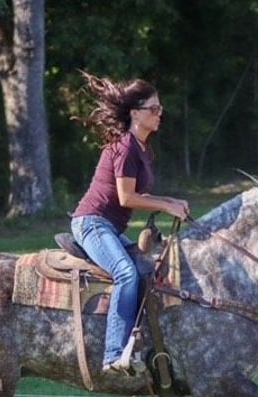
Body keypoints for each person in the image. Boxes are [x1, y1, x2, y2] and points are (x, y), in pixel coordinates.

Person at [70, 71, 190, 375]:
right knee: (125, 273)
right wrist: (166, 204)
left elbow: (139, 193)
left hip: (108, 227)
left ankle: (138, 345)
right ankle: (112, 355)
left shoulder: (141, 148)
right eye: (153, 109)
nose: (159, 114)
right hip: (92, 223)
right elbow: (126, 197)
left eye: (160, 109)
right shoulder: (124, 146)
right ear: (136, 113)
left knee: (144, 271)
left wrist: (170, 202)